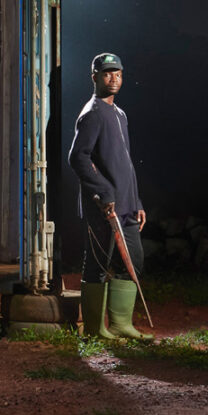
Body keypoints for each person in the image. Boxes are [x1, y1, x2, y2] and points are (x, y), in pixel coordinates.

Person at [67, 52, 154, 340]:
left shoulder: (119, 114)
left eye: (117, 73)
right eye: (106, 73)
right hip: (102, 206)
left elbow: (125, 163)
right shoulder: (92, 114)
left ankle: (121, 325)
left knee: (133, 261)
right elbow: (78, 158)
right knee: (98, 263)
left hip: (127, 205)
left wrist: (137, 201)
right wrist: (104, 193)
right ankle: (95, 329)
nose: (113, 78)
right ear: (94, 77)